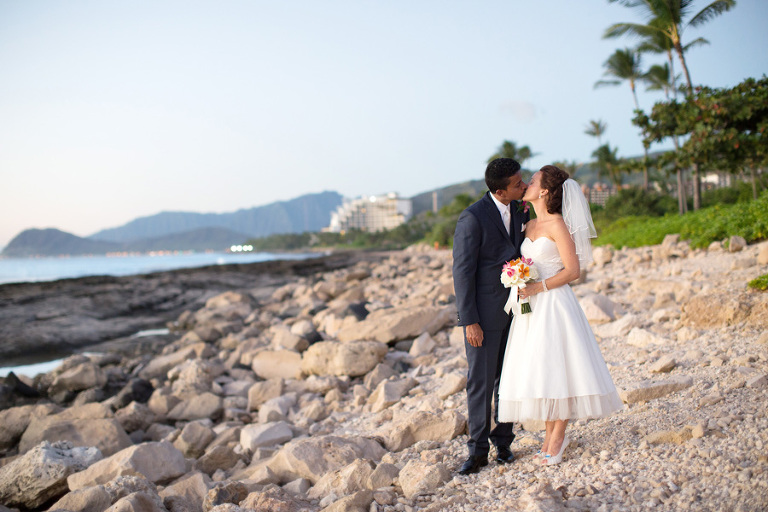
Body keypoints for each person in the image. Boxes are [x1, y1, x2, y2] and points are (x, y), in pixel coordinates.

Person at [497, 165, 623, 466]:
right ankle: (550, 433)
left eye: (534, 180)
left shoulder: (557, 225)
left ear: (543, 191)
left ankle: (557, 437)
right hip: (530, 308)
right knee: (543, 368)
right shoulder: (527, 225)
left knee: (559, 366)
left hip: (553, 303)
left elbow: (573, 270)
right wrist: (517, 279)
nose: (526, 183)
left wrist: (538, 286)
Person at [452, 158, 529, 475]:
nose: (523, 187)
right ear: (500, 190)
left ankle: (505, 443)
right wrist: (470, 321)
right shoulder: (472, 218)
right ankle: (478, 451)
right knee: (481, 383)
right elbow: (462, 272)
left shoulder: (523, 210)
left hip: (519, 311)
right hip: (483, 317)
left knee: (509, 379)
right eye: (517, 184)